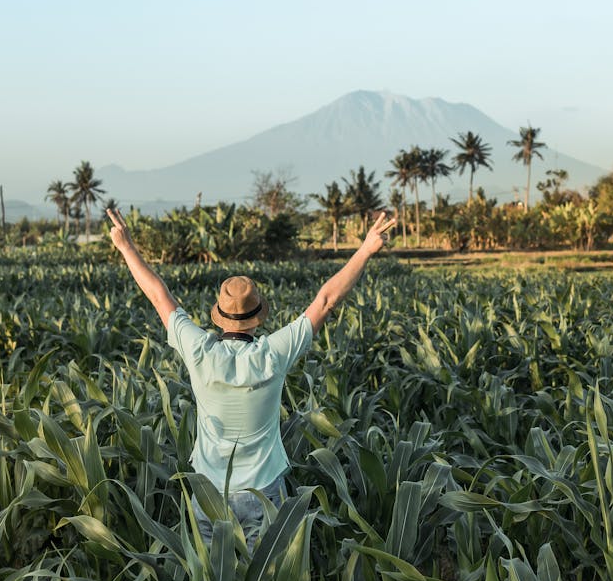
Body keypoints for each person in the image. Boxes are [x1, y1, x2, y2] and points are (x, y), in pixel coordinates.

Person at [106, 207, 396, 549]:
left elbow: (158, 294)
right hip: (263, 492)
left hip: (208, 491)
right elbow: (326, 300)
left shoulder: (198, 350)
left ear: (219, 317)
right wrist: (365, 250)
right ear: (257, 318)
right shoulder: (272, 353)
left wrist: (125, 246)